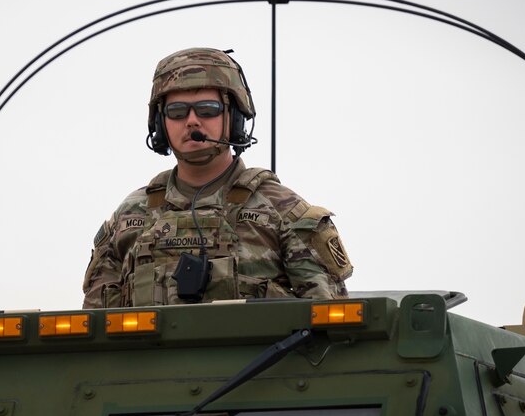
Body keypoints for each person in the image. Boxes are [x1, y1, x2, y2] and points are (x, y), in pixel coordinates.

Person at [82, 47, 352, 308]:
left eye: (207, 110)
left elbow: (327, 323)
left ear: (234, 117)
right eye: (177, 112)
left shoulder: (282, 210)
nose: (191, 121)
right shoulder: (130, 216)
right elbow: (94, 327)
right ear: (160, 124)